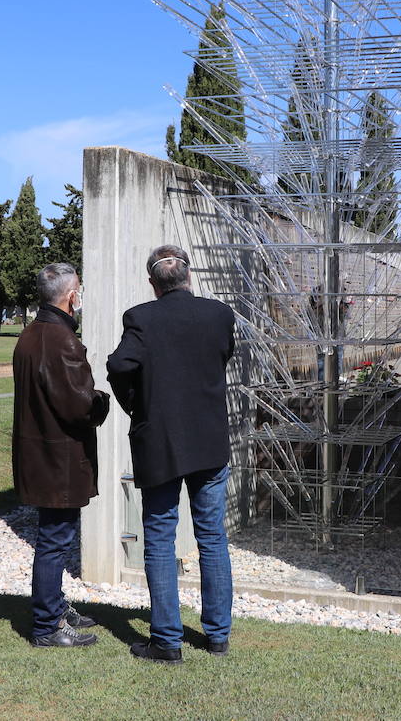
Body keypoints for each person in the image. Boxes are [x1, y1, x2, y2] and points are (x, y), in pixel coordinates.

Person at [107, 245, 236, 665]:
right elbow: (219, 359)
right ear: (189, 276)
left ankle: (167, 641)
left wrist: (137, 406)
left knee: (160, 540)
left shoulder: (141, 318)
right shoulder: (219, 314)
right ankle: (217, 635)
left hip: (160, 441)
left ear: (153, 284)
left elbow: (119, 366)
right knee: (212, 537)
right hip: (209, 440)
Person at [11, 262, 109, 648]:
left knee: (54, 537)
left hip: (40, 454)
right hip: (58, 459)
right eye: (79, 289)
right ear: (71, 296)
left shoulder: (30, 335)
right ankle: (46, 627)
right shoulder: (59, 339)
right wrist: (102, 400)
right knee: (53, 541)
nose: (80, 295)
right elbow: (79, 405)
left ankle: (53, 605)